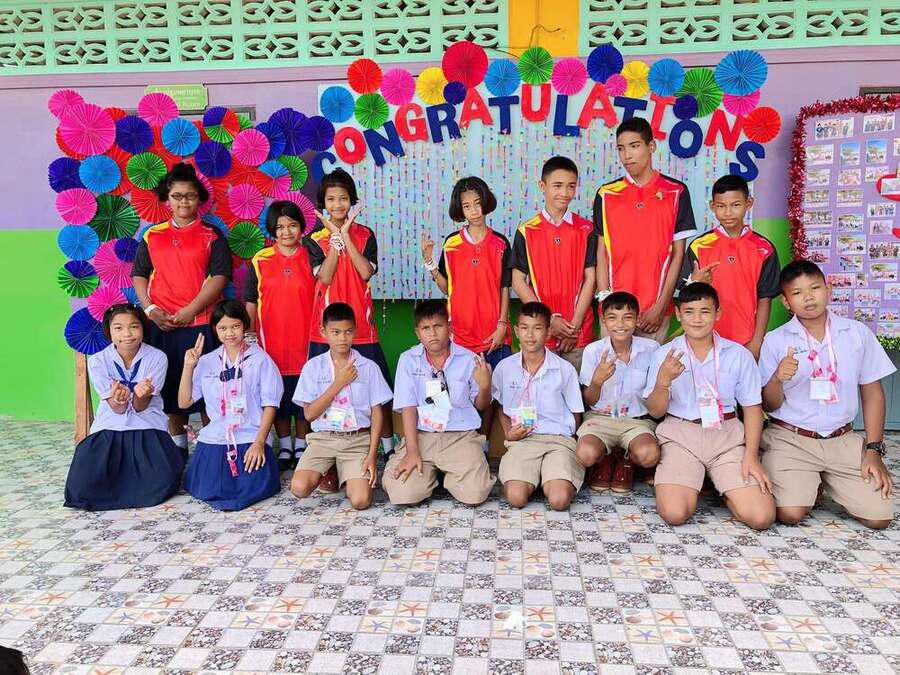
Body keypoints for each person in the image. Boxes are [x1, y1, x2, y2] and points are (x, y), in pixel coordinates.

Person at [760, 260, 895, 529]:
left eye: (815, 288)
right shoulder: (776, 340)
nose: (808, 298)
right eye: (797, 293)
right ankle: (809, 479)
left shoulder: (856, 333)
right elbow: (768, 404)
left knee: (879, 517)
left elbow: (873, 394)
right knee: (790, 513)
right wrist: (777, 378)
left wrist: (873, 450)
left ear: (828, 290)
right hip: (792, 438)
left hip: (842, 439)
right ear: (786, 302)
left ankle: (823, 478)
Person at [643, 283, 775, 530]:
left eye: (705, 311)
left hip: (726, 436)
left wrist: (751, 456)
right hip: (681, 435)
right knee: (675, 514)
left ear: (718, 313)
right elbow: (655, 411)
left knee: (761, 517)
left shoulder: (738, 354)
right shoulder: (664, 354)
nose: (697, 319)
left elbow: (752, 409)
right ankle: (706, 482)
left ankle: (723, 487)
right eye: (689, 312)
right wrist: (663, 381)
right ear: (679, 315)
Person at [132, 162, 232, 451]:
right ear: (167, 199)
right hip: (161, 324)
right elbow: (139, 274)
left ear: (199, 199)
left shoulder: (212, 234)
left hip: (200, 324)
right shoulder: (151, 235)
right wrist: (150, 310)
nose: (183, 201)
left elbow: (220, 276)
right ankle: (177, 449)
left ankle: (213, 447)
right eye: (177, 196)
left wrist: (190, 310)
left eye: (189, 195)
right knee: (170, 387)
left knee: (207, 387)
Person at [307, 168, 394, 477]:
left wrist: (346, 236)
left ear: (351, 200)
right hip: (327, 330)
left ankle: (388, 448)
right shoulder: (314, 239)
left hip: (362, 329)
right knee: (326, 390)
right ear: (323, 203)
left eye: (343, 198)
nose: (337, 205)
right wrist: (334, 239)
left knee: (378, 393)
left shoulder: (365, 234)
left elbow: (365, 272)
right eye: (331, 199)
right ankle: (327, 457)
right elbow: (325, 276)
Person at [64, 304, 185, 511]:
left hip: (147, 425)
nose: (127, 334)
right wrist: (118, 400)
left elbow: (140, 407)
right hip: (110, 426)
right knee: (81, 487)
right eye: (118, 328)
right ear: (109, 332)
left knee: (161, 483)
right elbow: (117, 410)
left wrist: (141, 395)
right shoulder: (98, 361)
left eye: (134, 327)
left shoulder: (157, 357)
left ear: (143, 329)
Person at [421, 176, 511, 447]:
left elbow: (504, 287)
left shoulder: (500, 243)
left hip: (493, 334)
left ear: (486, 203)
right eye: (467, 205)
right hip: (461, 335)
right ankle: (463, 445)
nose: (474, 210)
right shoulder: (451, 244)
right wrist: (429, 262)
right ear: (460, 209)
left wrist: (502, 324)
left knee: (492, 394)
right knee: (462, 394)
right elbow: (447, 287)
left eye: (478, 203)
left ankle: (483, 445)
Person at [594, 117, 697, 343]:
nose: (627, 155)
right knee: (611, 366)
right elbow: (601, 252)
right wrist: (604, 300)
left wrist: (660, 306)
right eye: (621, 148)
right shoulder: (606, 194)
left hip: (655, 311)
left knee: (655, 367)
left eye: (634, 146)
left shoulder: (676, 191)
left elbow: (678, 254)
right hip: (614, 311)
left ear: (651, 146)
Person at [382, 300, 495, 506]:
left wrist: (485, 385)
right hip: (422, 436)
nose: (432, 333)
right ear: (417, 333)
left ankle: (446, 475)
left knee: (475, 494)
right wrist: (412, 450)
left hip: (460, 437)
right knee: (402, 494)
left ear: (449, 327)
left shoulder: (469, 359)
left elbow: (481, 406)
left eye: (438, 326)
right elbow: (408, 408)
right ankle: (432, 476)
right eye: (425, 328)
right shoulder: (408, 360)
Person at [180, 300, 281, 511]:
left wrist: (259, 443)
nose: (229, 333)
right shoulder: (207, 361)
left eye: (235, 326)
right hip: (216, 437)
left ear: (244, 325)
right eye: (223, 328)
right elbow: (184, 401)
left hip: (250, 437)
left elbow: (271, 404)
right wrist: (189, 366)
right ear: (215, 329)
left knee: (252, 488)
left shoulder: (260, 359)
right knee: (207, 488)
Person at [290, 303, 393, 510]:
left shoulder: (368, 367)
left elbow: (377, 414)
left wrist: (372, 455)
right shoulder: (313, 367)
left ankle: (345, 474)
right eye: (335, 332)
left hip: (356, 441)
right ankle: (332, 469)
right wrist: (339, 383)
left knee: (360, 501)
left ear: (355, 331)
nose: (342, 338)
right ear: (323, 332)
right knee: (299, 488)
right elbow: (309, 414)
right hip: (323, 439)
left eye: (348, 332)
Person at [245, 200, 318, 470]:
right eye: (280, 227)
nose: (286, 232)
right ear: (272, 230)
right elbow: (251, 301)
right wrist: (249, 333)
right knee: (276, 393)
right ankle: (284, 444)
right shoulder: (260, 259)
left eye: (292, 225)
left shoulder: (312, 257)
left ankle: (301, 443)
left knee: (304, 392)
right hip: (271, 341)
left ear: (302, 227)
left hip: (306, 339)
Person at [493, 302, 585, 511]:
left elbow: (576, 412)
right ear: (516, 331)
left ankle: (551, 476)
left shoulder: (564, 369)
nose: (530, 335)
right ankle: (532, 477)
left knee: (559, 500)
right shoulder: (505, 368)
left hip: (558, 440)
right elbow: (501, 405)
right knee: (516, 498)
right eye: (524, 328)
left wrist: (570, 442)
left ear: (548, 332)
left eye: (537, 328)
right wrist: (508, 433)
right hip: (522, 441)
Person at [511, 156, 597, 372]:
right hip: (541, 334)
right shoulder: (526, 231)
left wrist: (573, 327)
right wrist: (549, 321)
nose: (564, 193)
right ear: (543, 186)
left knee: (580, 390)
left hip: (578, 334)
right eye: (557, 186)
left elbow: (591, 279)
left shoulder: (586, 229)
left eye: (571, 186)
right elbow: (518, 281)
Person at [680, 175, 780, 358]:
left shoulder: (764, 248)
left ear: (749, 203)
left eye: (735, 205)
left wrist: (756, 342)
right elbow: (685, 293)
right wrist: (695, 281)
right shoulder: (698, 246)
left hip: (746, 341)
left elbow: (765, 298)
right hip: (704, 340)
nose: (728, 213)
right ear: (712, 206)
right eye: (721, 206)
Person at [576, 292, 660, 493]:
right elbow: (589, 400)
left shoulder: (652, 349)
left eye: (627, 317)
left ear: (637, 319)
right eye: (612, 318)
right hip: (600, 418)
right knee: (585, 454)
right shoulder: (593, 351)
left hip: (636, 421)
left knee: (649, 455)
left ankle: (625, 459)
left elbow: (655, 394)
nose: (620, 324)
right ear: (604, 320)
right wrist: (597, 380)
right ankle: (605, 458)